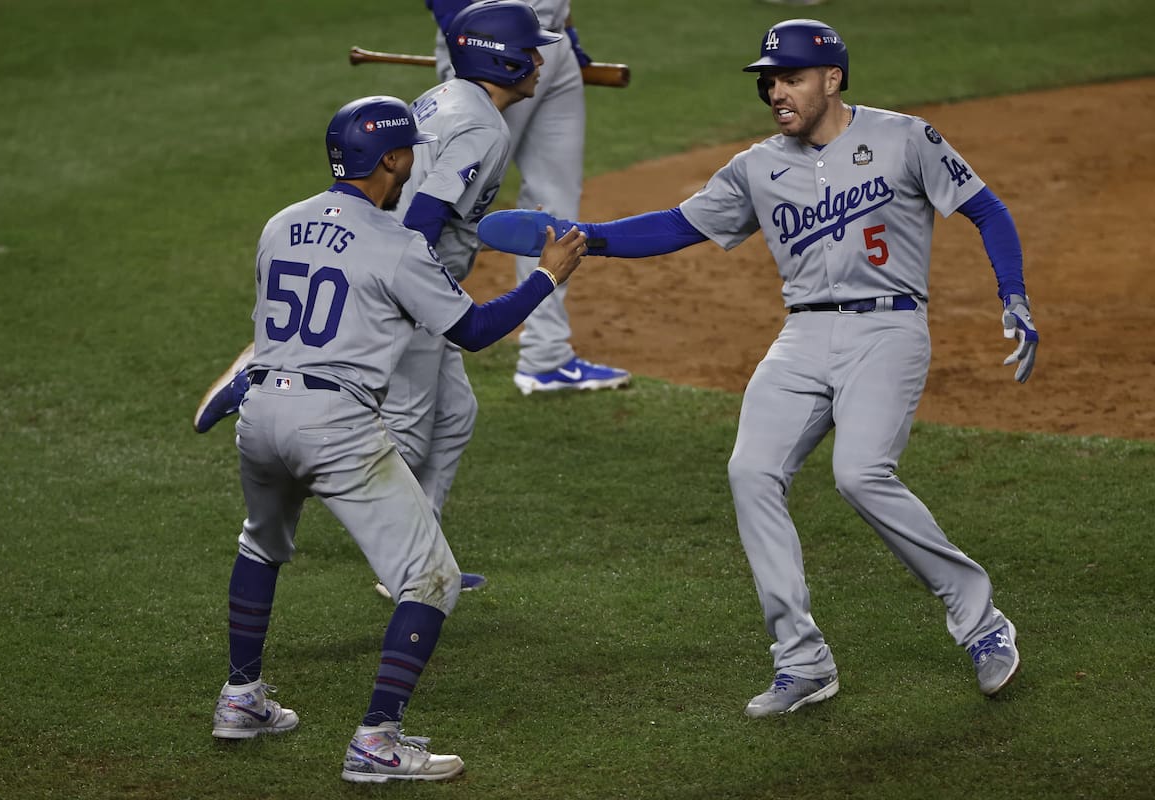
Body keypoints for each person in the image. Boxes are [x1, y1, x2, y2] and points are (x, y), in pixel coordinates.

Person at [476, 18, 1037, 716]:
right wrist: (586, 237)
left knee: (861, 474)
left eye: (791, 76)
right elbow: (675, 226)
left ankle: (982, 625)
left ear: (832, 79)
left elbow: (987, 210)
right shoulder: (757, 166)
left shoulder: (905, 137)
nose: (776, 90)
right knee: (750, 471)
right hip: (802, 335)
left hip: (889, 328)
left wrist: (1012, 291)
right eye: (768, 79)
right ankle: (802, 659)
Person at [209, 93, 587, 785]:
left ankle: (240, 699)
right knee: (432, 579)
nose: (417, 161)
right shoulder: (396, 245)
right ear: (391, 159)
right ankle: (377, 742)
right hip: (334, 426)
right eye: (410, 150)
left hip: (262, 411)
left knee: (260, 543)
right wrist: (547, 275)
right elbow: (472, 331)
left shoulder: (279, 224)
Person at [193, 0, 565, 592]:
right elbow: (422, 218)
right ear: (505, 59)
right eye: (533, 49)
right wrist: (413, 284)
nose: (544, 59)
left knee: (457, 415)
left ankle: (425, 557)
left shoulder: (444, 95)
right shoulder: (480, 126)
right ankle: (409, 572)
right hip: (406, 289)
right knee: (409, 428)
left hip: (398, 271)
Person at [427, 0, 631, 395]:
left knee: (555, 200)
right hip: (493, 45)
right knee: (455, 205)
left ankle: (546, 356)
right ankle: (408, 334)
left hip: (548, 40)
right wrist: (462, 38)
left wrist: (565, 32)